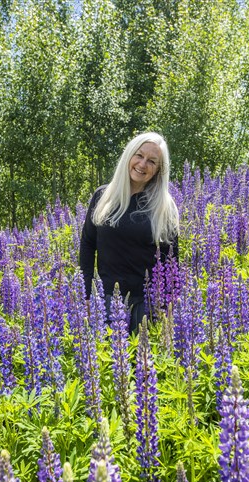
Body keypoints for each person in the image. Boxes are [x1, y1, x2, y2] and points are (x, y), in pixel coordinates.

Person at [79, 131, 179, 333]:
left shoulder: (163, 207)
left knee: (143, 364)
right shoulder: (103, 196)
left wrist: (168, 308)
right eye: (139, 155)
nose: (142, 164)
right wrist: (87, 295)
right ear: (129, 155)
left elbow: (172, 262)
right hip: (105, 302)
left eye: (152, 161)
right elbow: (88, 245)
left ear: (159, 169)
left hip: (147, 305)